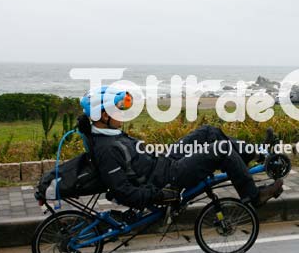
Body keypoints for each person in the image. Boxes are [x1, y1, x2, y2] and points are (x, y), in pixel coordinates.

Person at [80, 86, 283, 209]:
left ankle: (256, 155)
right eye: (118, 109)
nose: (122, 113)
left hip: (164, 161)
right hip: (168, 177)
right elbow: (123, 192)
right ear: (104, 115)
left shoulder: (108, 133)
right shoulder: (107, 149)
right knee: (221, 148)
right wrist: (158, 195)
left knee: (207, 132)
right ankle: (254, 196)